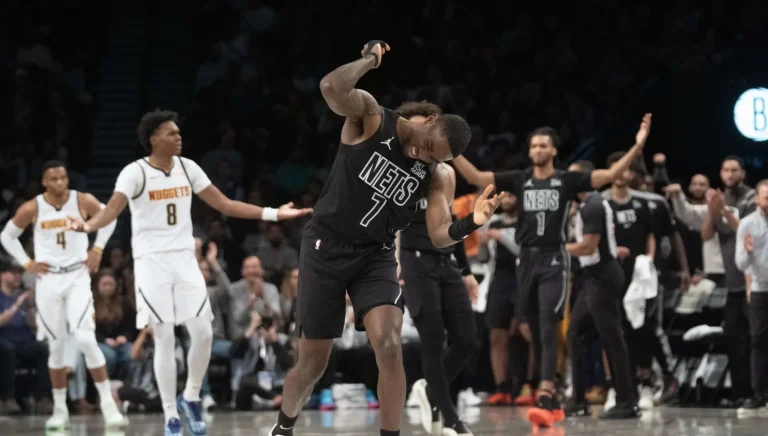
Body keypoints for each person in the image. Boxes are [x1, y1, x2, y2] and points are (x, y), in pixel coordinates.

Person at [269, 41, 497, 436]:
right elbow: (330, 88)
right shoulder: (374, 119)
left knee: (390, 347)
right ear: (430, 120)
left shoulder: (435, 174)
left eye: (434, 157)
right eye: (428, 146)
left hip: (374, 256)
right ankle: (284, 427)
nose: (424, 155)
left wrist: (471, 222)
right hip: (325, 248)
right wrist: (369, 61)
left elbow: (439, 236)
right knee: (313, 364)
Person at [68, 109, 312, 436]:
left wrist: (273, 213)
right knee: (164, 337)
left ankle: (192, 396)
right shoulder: (135, 172)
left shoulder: (188, 167)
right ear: (154, 138)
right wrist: (87, 227)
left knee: (204, 333)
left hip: (184, 260)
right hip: (152, 262)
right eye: (171, 133)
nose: (178, 136)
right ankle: (170, 414)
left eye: (179, 132)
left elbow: (225, 205)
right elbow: (111, 211)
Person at [451, 113, 652, 427]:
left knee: (548, 326)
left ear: (554, 150)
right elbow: (476, 176)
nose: (538, 150)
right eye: (533, 146)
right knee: (532, 328)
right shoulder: (520, 179)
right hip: (526, 260)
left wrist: (637, 146)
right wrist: (450, 149)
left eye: (543, 145)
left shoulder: (567, 180)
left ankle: (546, 393)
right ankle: (555, 394)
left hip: (554, 259)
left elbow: (611, 173)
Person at [0, 161, 127, 430]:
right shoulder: (33, 207)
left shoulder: (82, 200)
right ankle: (59, 409)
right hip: (48, 280)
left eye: (63, 177)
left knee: (86, 339)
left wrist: (98, 248)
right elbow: (7, 236)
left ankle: (108, 404)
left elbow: (109, 217)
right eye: (54, 179)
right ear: (44, 182)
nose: (60, 182)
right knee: (56, 347)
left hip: (77, 275)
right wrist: (26, 263)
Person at [394, 101, 479, 436]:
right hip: (413, 260)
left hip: (446, 259)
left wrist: (467, 271)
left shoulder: (443, 171)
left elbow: (451, 221)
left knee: (468, 340)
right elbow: (391, 223)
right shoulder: (396, 165)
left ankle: (430, 389)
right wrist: (394, 263)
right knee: (433, 338)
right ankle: (451, 419)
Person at [563, 160, 639, 420]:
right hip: (593, 276)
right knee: (575, 332)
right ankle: (578, 399)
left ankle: (626, 400)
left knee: (611, 337)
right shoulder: (586, 204)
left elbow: (588, 247)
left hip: (602, 276)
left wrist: (557, 249)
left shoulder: (594, 204)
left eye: (573, 177)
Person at [600, 154, 657, 409]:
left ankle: (645, 384)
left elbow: (650, 235)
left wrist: (649, 259)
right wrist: (611, 252)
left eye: (626, 169)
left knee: (642, 329)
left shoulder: (642, 204)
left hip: (639, 275)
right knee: (612, 330)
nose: (621, 173)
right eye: (616, 168)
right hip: (610, 273)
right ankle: (616, 387)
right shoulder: (600, 203)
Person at [701, 156, 756, 408]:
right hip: (732, 282)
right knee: (733, 338)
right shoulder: (719, 199)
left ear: (743, 173)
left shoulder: (752, 199)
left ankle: (758, 392)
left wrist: (723, 210)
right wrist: (712, 211)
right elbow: (706, 234)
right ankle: (740, 393)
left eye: (735, 170)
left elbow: (746, 231)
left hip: (754, 280)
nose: (730, 174)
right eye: (726, 170)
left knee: (756, 339)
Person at [734, 179, 768, 417]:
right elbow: (740, 264)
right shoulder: (747, 224)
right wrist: (747, 252)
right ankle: (759, 393)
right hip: (759, 288)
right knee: (758, 340)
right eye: (766, 197)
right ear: (757, 199)